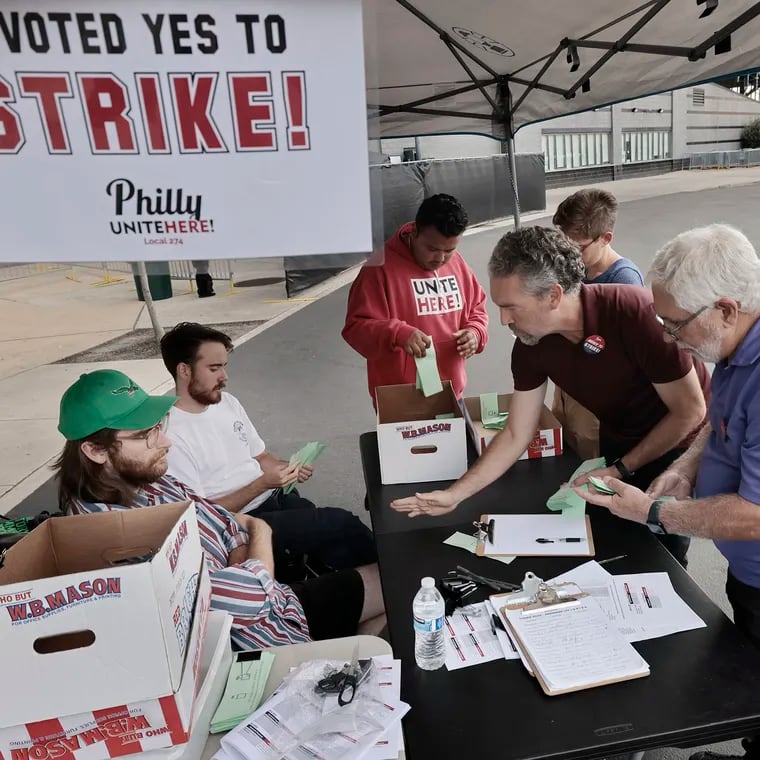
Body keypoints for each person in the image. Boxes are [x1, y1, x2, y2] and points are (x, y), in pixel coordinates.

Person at [392, 226, 710, 566]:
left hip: (681, 447)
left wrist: (620, 469)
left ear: (553, 296)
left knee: (664, 553)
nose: (503, 319)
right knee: (618, 546)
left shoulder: (634, 313)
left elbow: (689, 412)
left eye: (511, 307)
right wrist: (455, 494)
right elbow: (516, 432)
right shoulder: (531, 343)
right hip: (621, 440)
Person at [576, 224, 760, 760]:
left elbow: (754, 514)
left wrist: (656, 510)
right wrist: (685, 469)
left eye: (673, 323)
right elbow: (717, 421)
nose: (665, 336)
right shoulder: (736, 343)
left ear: (725, 308)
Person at [54, 369, 386, 650]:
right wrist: (261, 533)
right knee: (397, 589)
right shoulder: (112, 537)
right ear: (95, 450)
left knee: (399, 579)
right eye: (145, 435)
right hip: (265, 645)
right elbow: (250, 599)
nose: (165, 442)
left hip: (283, 606)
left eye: (159, 427)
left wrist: (243, 558)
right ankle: (339, 665)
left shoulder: (149, 483)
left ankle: (348, 663)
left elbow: (228, 525)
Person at [159, 322, 377, 576]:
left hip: (272, 498)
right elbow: (201, 516)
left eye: (224, 367)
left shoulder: (227, 403)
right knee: (340, 524)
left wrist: (287, 468)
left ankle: (370, 593)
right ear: (184, 371)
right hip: (238, 523)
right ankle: (397, 584)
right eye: (214, 368)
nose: (224, 377)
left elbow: (259, 456)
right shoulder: (170, 435)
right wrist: (262, 484)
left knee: (331, 541)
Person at [342, 193, 489, 406]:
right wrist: (397, 333)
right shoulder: (379, 270)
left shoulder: (457, 263)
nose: (440, 259)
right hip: (399, 399)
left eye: (449, 250)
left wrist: (476, 332)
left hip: (451, 392)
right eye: (431, 249)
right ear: (414, 232)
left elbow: (477, 307)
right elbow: (355, 328)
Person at [551, 188, 644, 458]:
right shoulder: (574, 268)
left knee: (590, 469)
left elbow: (628, 358)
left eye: (577, 247)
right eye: (564, 244)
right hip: (567, 389)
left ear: (606, 238)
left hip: (597, 405)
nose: (568, 254)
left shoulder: (624, 281)